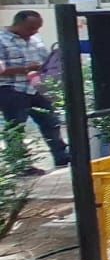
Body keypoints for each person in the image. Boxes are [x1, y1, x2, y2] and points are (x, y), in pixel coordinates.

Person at [0, 10, 70, 173]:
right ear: (18, 24)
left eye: (37, 28)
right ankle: (20, 165)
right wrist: (25, 69)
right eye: (31, 28)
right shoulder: (2, 39)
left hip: (37, 88)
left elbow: (44, 60)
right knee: (16, 128)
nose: (35, 32)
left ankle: (61, 156)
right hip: (13, 90)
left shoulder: (35, 39)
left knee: (51, 123)